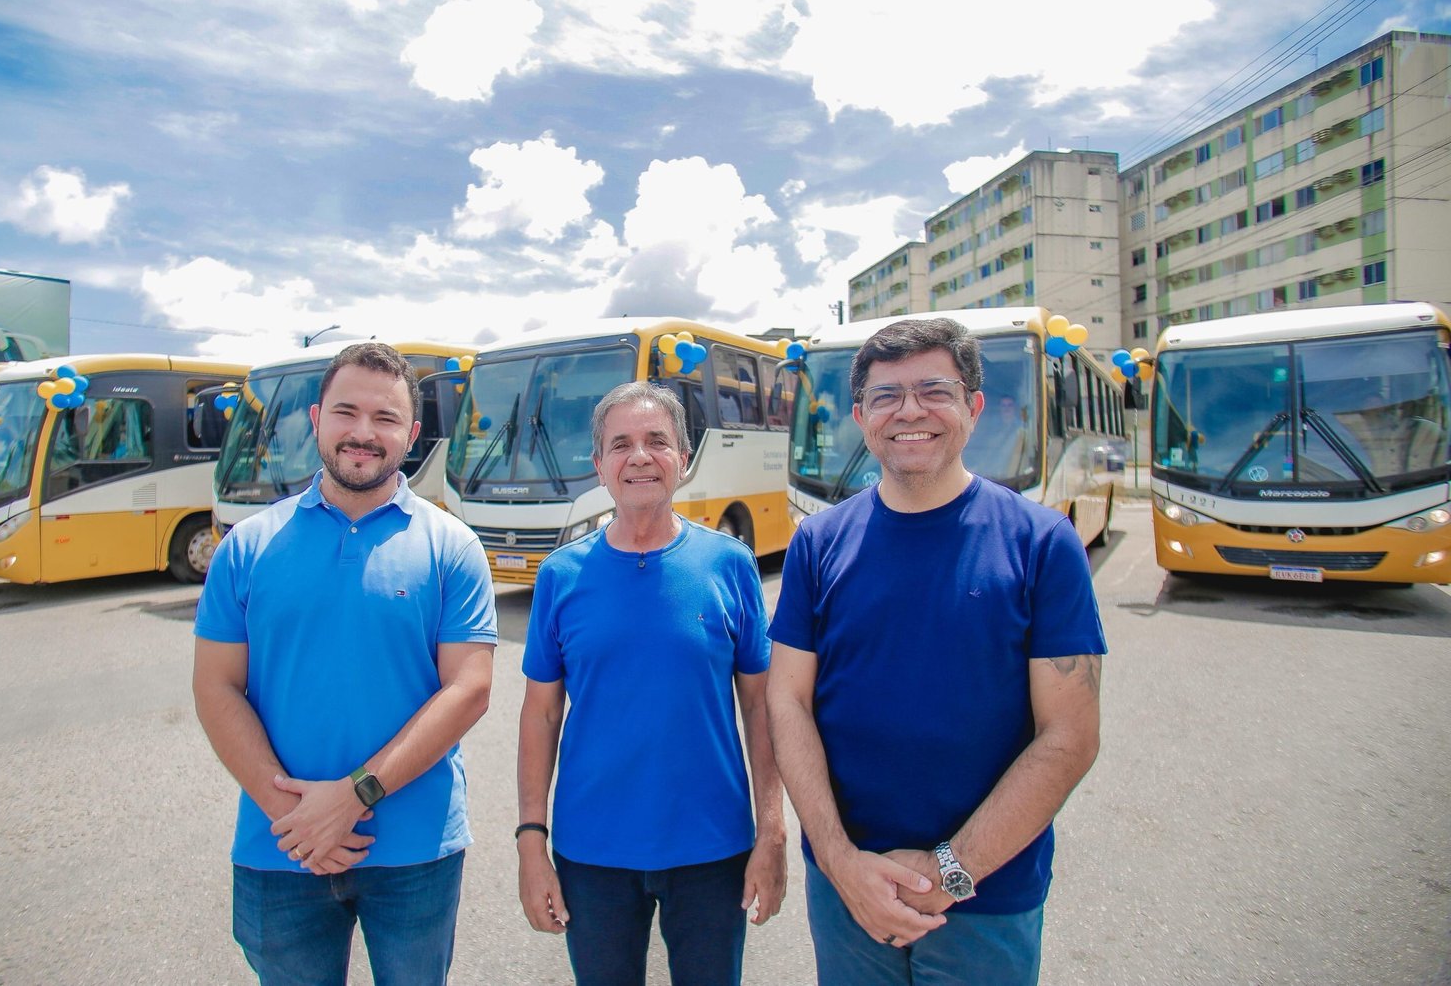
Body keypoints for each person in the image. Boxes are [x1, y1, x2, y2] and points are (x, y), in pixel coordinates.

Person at [766, 317, 1105, 985]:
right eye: (887, 396)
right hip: (847, 894)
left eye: (934, 390)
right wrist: (839, 862)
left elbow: (1070, 734)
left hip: (988, 899)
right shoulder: (818, 543)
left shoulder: (1042, 543)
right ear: (861, 417)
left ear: (973, 408)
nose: (910, 410)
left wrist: (953, 870)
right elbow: (788, 699)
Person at [193, 341, 497, 986]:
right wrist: (295, 814)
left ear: (412, 434)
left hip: (416, 851)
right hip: (281, 845)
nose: (364, 433)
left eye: (385, 419)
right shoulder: (247, 547)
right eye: (346, 412)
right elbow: (217, 687)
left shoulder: (453, 546)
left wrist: (353, 796)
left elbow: (468, 690)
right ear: (316, 419)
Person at [516, 380, 787, 986]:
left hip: (713, 849)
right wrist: (530, 841)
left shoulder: (729, 564)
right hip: (592, 853)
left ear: (683, 460)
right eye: (621, 444)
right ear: (599, 465)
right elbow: (539, 715)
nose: (639, 456)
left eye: (657, 441)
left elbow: (762, 708)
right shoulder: (561, 576)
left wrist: (771, 830)